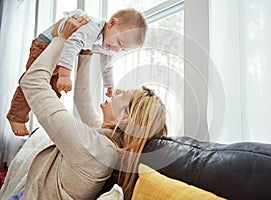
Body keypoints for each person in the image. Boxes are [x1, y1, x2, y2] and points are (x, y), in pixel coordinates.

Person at [3, 15, 167, 200]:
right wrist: (85, 51)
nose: (117, 90)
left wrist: (61, 38)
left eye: (123, 94)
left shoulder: (95, 148)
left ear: (124, 119)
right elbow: (82, 98)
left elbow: (31, 81)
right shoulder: (105, 141)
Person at [6, 8, 148, 136]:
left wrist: (109, 85)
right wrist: (65, 75)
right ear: (111, 24)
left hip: (61, 53)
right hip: (45, 45)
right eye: (119, 42)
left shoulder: (109, 45)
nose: (117, 49)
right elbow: (72, 43)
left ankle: (36, 115)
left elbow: (107, 64)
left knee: (53, 90)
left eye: (122, 49)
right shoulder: (92, 28)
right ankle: (16, 117)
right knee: (31, 82)